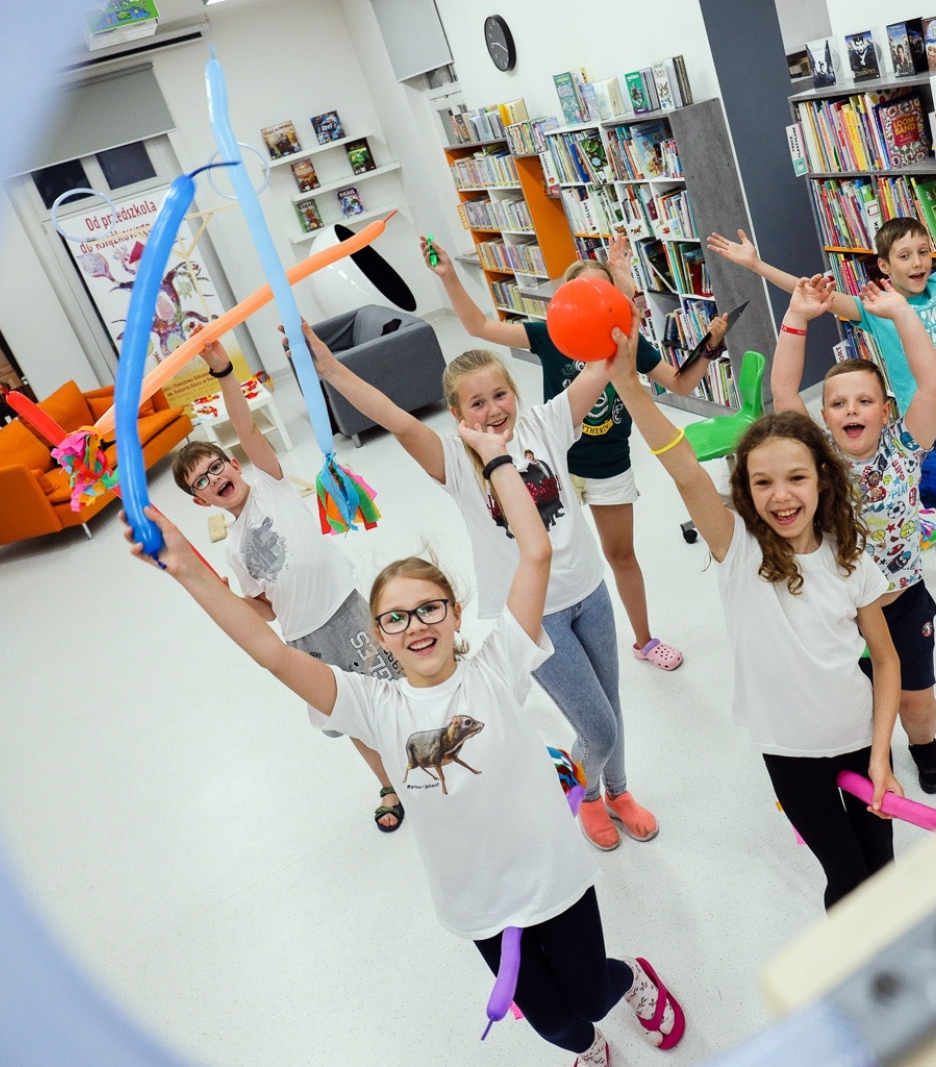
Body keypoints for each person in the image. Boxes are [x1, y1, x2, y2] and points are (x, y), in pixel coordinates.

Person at [125, 421, 684, 1067]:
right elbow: (270, 652)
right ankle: (588, 1047)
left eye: (429, 608)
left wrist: (496, 456)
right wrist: (189, 571)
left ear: (453, 612)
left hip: (552, 876)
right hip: (477, 902)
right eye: (396, 616)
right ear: (379, 635)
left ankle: (631, 977)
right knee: (557, 1025)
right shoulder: (373, 702)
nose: (415, 624)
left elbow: (534, 553)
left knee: (588, 993)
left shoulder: (499, 660)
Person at [290, 320, 660, 853]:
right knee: (597, 729)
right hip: (536, 618)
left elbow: (602, 362)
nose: (493, 411)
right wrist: (328, 369)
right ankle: (587, 796)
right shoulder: (455, 464)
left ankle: (618, 792)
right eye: (477, 404)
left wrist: (617, 304)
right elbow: (392, 416)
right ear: (459, 416)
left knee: (611, 706)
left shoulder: (547, 423)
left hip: (590, 590)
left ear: (516, 392)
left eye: (500, 394)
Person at [603, 328, 905, 910]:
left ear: (822, 477)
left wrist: (881, 752)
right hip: (791, 754)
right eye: (762, 482)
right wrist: (628, 384)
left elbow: (886, 660)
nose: (780, 496)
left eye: (796, 478)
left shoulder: (852, 560)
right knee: (846, 878)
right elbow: (684, 467)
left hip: (859, 736)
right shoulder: (738, 549)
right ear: (744, 490)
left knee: (883, 867)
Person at [707, 147, 936, 633]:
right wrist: (758, 266)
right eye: (904, 255)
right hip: (924, 432)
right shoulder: (875, 306)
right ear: (884, 267)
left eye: (923, 251)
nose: (918, 262)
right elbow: (813, 297)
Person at [423, 235, 726, 674]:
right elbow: (478, 327)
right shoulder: (550, 334)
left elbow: (679, 384)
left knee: (621, 556)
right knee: (534, 551)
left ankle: (645, 640)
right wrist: (450, 276)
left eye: (601, 293)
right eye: (581, 292)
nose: (590, 302)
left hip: (607, 465)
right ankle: (537, 640)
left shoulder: (625, 344)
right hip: (553, 467)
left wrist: (710, 348)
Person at [170, 327, 405, 833]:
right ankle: (388, 783)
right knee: (348, 713)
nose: (214, 480)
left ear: (234, 463)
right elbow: (266, 609)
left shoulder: (270, 486)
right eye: (202, 483)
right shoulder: (233, 549)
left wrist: (223, 372)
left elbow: (247, 429)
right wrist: (230, 600)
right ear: (199, 502)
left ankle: (427, 751)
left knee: (394, 686)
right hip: (305, 639)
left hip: (348, 609)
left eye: (216, 467)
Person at [768, 275, 936, 795]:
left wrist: (901, 312)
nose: (852, 410)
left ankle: (923, 745)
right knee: (853, 702)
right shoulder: (818, 457)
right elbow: (784, 388)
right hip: (841, 609)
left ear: (887, 411)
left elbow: (932, 383)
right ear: (824, 415)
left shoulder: (905, 445)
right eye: (839, 403)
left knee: (916, 700)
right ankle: (871, 755)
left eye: (865, 401)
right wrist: (798, 318)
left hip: (903, 602)